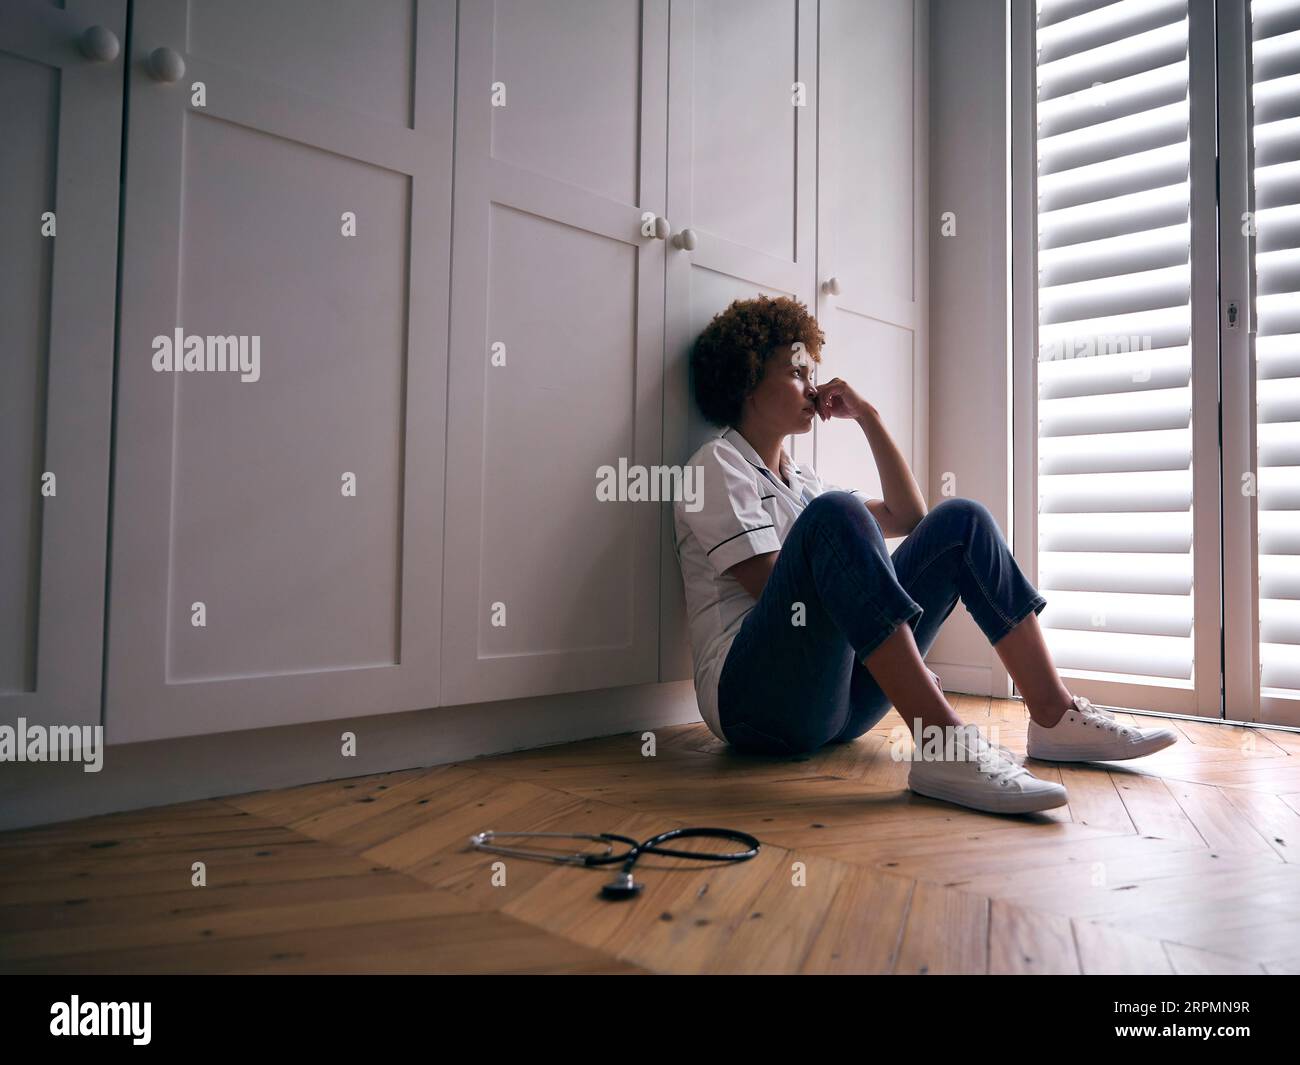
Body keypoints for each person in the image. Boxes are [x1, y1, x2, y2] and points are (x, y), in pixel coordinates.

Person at [672, 295, 1178, 815]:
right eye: (796, 372)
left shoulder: (800, 482)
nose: (814, 386)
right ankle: (943, 744)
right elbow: (779, 595)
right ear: (748, 380)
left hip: (837, 705)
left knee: (961, 521)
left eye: (812, 373)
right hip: (759, 707)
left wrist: (866, 416)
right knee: (837, 514)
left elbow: (908, 516)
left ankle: (1053, 716)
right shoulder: (716, 465)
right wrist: (906, 660)